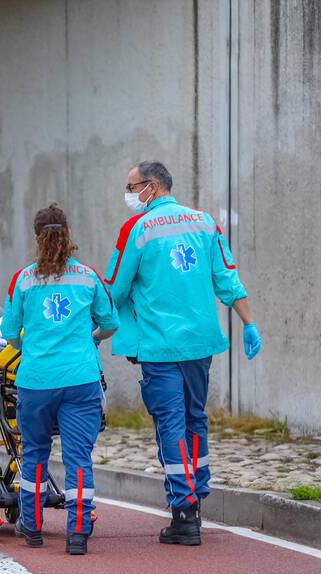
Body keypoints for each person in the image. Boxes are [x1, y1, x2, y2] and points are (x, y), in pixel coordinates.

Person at [105, 161, 261, 546]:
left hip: (159, 347)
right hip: (198, 344)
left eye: (131, 186)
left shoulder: (137, 230)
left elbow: (115, 288)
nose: (128, 194)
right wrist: (249, 323)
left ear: (152, 187)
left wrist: (93, 326)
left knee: (170, 425)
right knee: (195, 419)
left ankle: (184, 510)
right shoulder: (205, 223)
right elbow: (227, 278)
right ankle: (196, 499)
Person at [1, 204, 118, 556]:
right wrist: (91, 339)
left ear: (37, 238)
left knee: (34, 453)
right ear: (68, 234)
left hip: (36, 381)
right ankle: (78, 534)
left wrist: (30, 346)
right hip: (80, 379)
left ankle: (32, 528)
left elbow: (9, 333)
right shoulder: (87, 277)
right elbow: (110, 322)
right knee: (78, 457)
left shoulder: (23, 279)